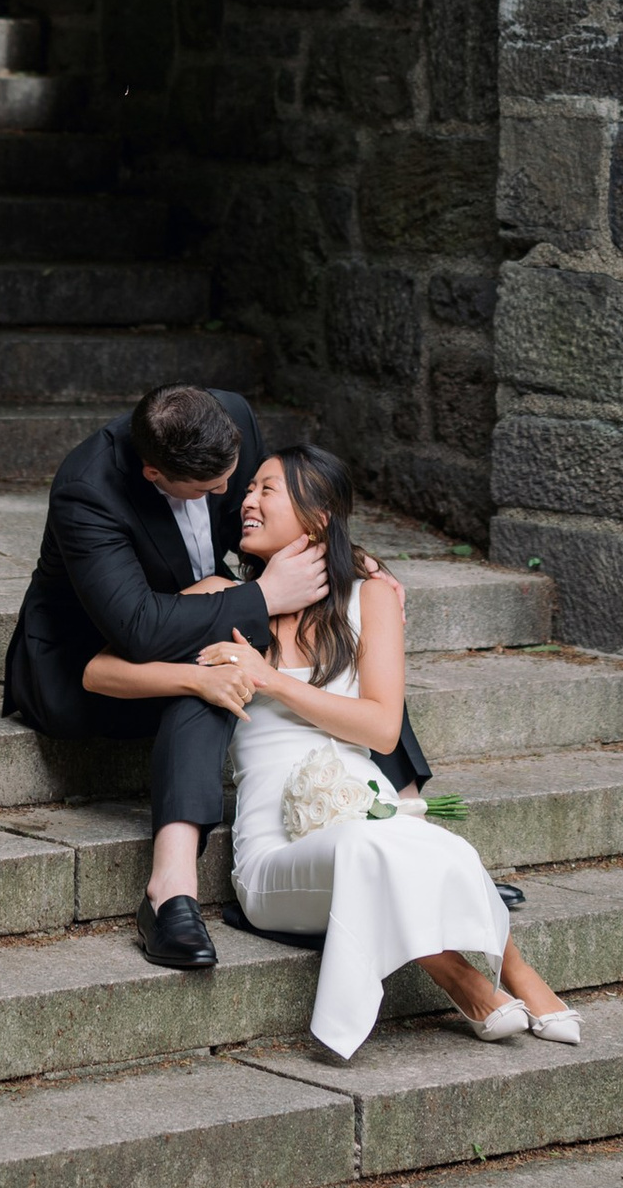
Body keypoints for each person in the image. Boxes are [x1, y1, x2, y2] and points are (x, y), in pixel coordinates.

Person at [76, 441, 579, 1060]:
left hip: (368, 815)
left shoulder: (369, 598)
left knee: (411, 842)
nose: (247, 502)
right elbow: (98, 672)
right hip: (276, 857)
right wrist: (196, 679)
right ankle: (469, 979)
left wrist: (270, 679)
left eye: (267, 490)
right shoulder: (218, 596)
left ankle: (507, 979)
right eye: (249, 489)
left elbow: (382, 730)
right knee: (376, 847)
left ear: (316, 519)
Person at [2, 382, 428, 970]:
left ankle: (417, 840)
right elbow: (138, 631)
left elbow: (269, 519)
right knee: (210, 667)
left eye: (243, 479)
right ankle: (169, 893)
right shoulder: (88, 490)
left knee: (350, 632)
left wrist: (347, 561)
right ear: (154, 474)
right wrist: (262, 596)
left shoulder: (229, 419)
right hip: (91, 660)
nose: (232, 494)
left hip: (208, 602)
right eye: (210, 489)